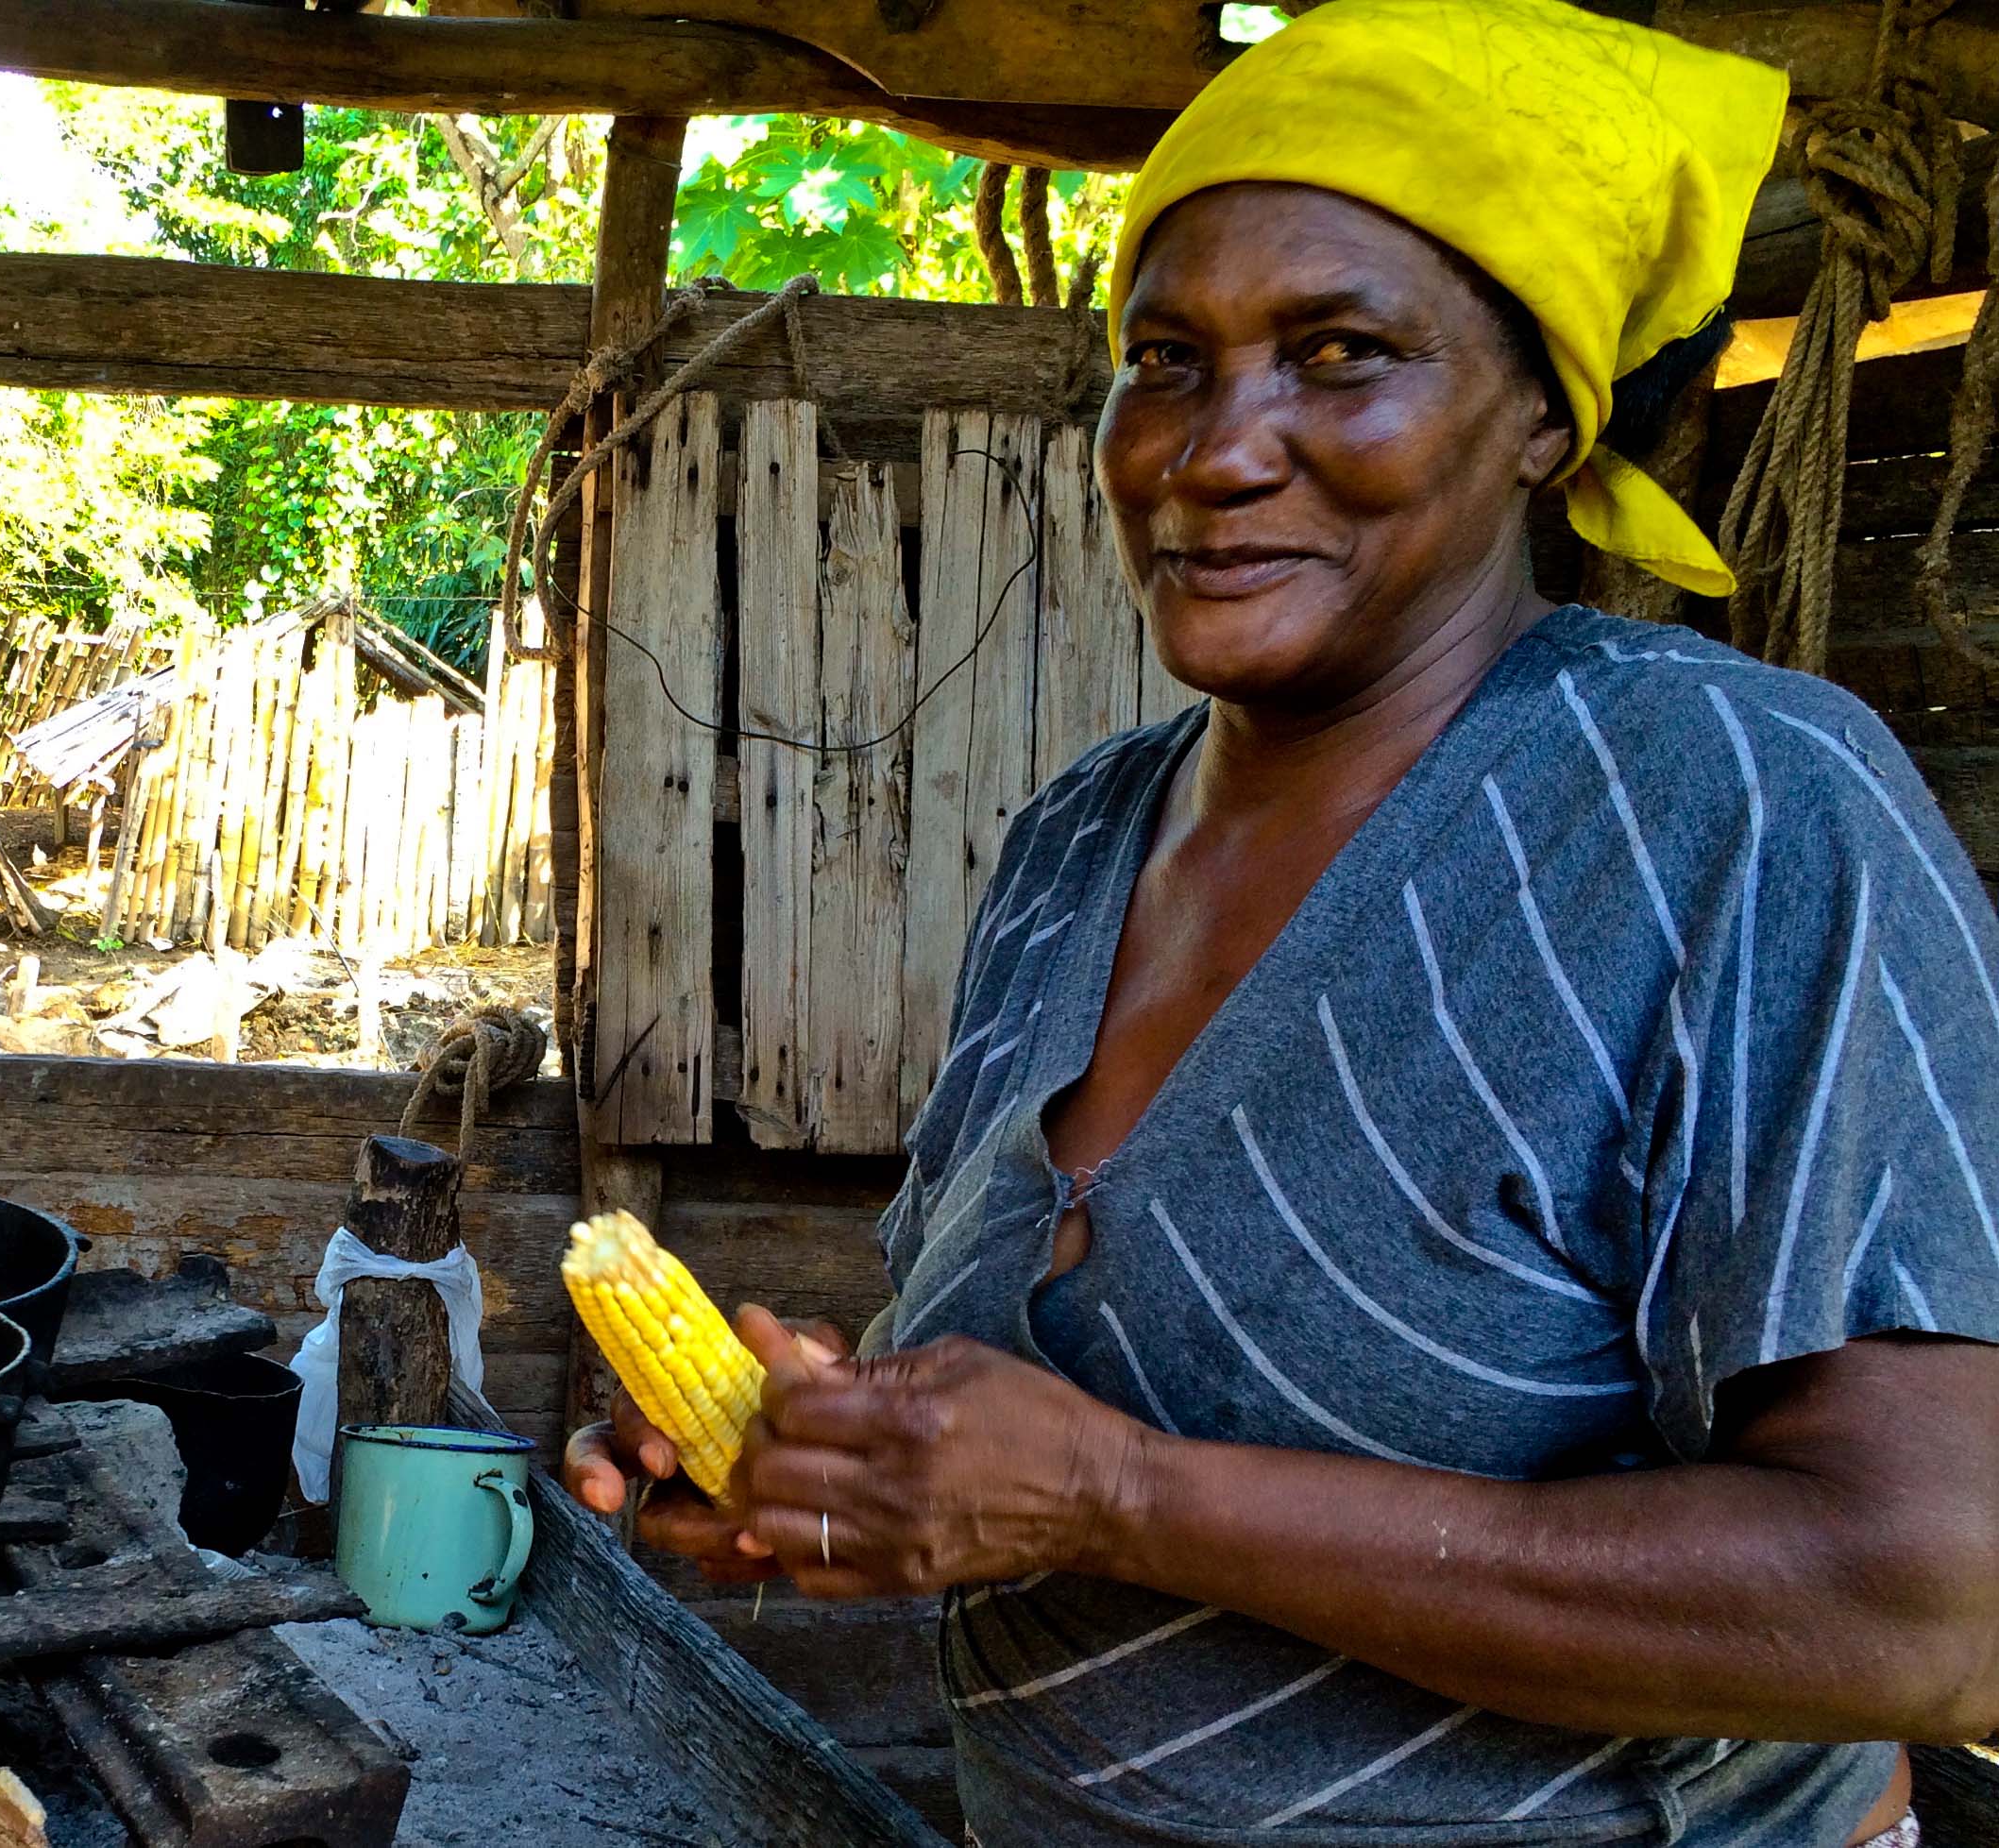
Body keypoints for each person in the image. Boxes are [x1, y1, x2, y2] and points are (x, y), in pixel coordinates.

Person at [562, 2, 1999, 1841]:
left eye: (1339, 353)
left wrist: (1119, 1500)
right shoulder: (1080, 839)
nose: (1215, 449)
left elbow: (1928, 1601)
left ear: (1540, 413)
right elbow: (1068, 1398)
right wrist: (840, 1445)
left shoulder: (1724, 805)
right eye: (1162, 360)